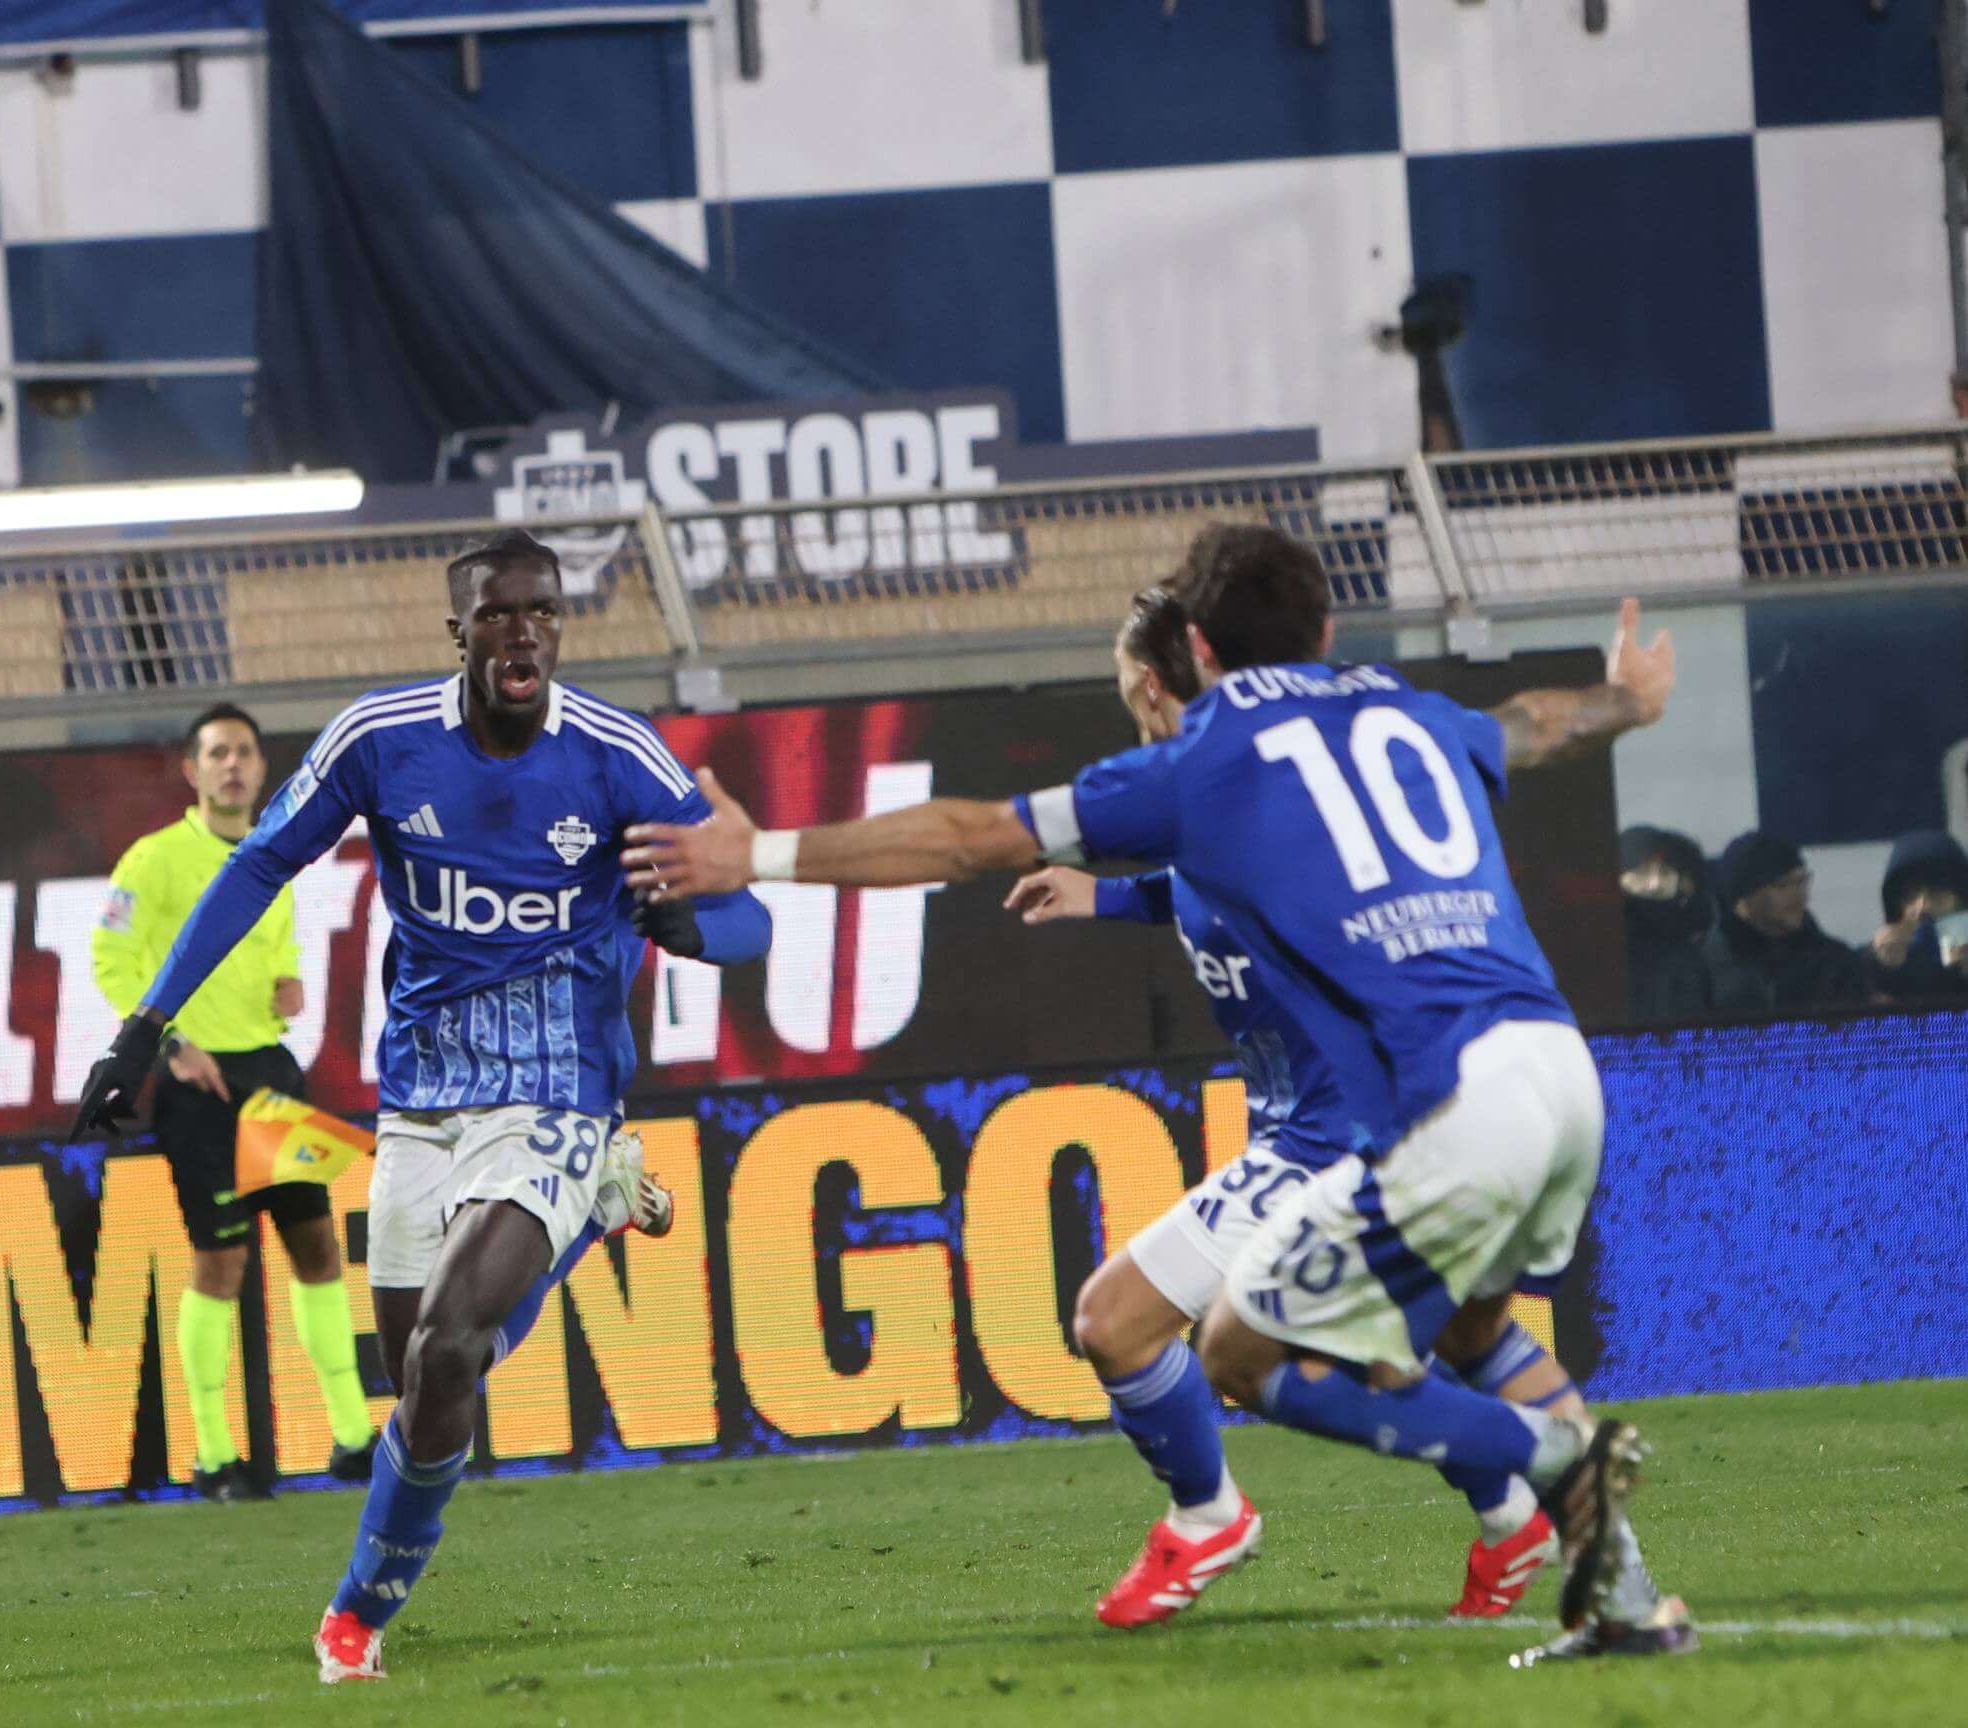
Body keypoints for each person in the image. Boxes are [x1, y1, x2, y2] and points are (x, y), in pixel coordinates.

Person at [625, 520, 1694, 1665]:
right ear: (1326, 629)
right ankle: (1624, 1598)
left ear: (1187, 645)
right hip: (1556, 1063)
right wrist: (1621, 701)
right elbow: (1532, 725)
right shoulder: (1407, 709)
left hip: (1439, 1101)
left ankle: (1548, 1466)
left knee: (1245, 1351)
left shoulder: (1205, 758)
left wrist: (762, 857)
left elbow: (967, 834)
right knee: (1475, 1324)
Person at [72, 531, 773, 1684]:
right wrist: (142, 1027)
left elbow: (746, 913)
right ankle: (594, 1213)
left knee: (449, 1345)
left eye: (540, 614)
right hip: (420, 1099)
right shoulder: (379, 738)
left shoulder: (615, 754)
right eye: (497, 617)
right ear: (459, 633)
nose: (522, 635)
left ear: (558, 625)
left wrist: (696, 925)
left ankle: (355, 1612)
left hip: (558, 1086)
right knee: (422, 1380)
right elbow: (255, 868)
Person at [1009, 587, 1676, 1630]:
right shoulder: (1239, 792)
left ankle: (1207, 1513)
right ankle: (1523, 1517)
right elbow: (1204, 882)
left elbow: (1272, 881)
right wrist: (1101, 894)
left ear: (1150, 681)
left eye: (1123, 685)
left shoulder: (1244, 789)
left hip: (1332, 1134)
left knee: (1116, 1321)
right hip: (1384, 1112)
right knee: (1443, 1342)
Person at [90, 704, 379, 1496]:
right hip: (197, 1088)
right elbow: (109, 960)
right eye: (216, 753)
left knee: (318, 1244)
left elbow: (278, 944)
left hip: (271, 1076)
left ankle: (355, 1438)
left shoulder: (274, 849)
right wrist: (170, 1041)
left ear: (261, 766)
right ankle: (216, 1455)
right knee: (220, 1260)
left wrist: (288, 981)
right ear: (191, 770)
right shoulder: (151, 861)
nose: (232, 766)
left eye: (244, 752)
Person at [1700, 830, 1872, 1012]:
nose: (1798, 894)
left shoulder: (1836, 963)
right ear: (1743, 898)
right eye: (1782, 885)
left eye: (1801, 881)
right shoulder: (1702, 969)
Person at [1615, 826, 1716, 1022]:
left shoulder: (1693, 951)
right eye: (1640, 872)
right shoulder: (1606, 951)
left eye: (1665, 872)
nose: (1655, 884)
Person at [1862, 829, 1968, 1007]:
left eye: (1937, 893)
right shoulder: (1868, 965)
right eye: (1910, 896)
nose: (1922, 907)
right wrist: (1878, 971)